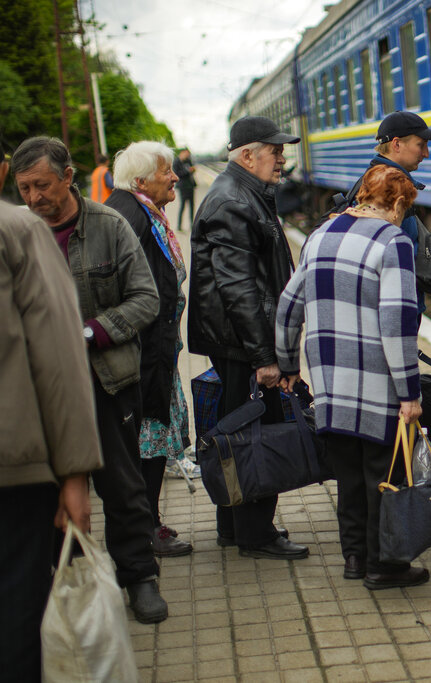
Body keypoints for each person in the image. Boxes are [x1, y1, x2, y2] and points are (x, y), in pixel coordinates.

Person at [11, 136, 168, 623]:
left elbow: (146, 299)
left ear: (68, 177)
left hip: (105, 381)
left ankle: (139, 577)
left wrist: (88, 332)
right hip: (37, 391)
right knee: (50, 492)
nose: (34, 198)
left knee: (122, 486)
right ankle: (71, 583)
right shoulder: (18, 235)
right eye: (23, 189)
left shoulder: (110, 225)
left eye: (42, 185)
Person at [276, 165, 428, 589]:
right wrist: (409, 392)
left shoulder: (319, 235)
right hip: (377, 386)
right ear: (396, 203)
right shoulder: (392, 240)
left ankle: (354, 559)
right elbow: (397, 322)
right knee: (383, 474)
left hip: (330, 385)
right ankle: (386, 566)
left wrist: (288, 364)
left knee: (347, 475)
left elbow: (288, 306)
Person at [0, 134, 104, 683]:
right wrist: (75, 474)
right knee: (19, 607)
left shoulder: (103, 222)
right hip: (15, 469)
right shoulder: (18, 232)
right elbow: (59, 360)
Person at [188, 116, 309, 560]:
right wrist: (266, 356)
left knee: (237, 432)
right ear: (246, 155)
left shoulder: (245, 194)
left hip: (238, 342)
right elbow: (239, 289)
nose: (282, 158)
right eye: (274, 150)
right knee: (253, 436)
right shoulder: (233, 202)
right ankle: (255, 533)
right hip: (243, 345)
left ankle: (234, 527)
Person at [106, 141, 194, 558]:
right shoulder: (131, 217)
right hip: (140, 355)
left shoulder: (138, 211)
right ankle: (145, 529)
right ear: (141, 181)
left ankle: (149, 522)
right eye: (167, 172)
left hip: (154, 350)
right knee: (146, 443)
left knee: (150, 440)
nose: (175, 177)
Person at [320, 110, 431, 314]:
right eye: (421, 145)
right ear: (396, 144)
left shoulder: (376, 182)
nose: (426, 154)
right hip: (391, 309)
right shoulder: (385, 191)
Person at [172, 147, 197, 231]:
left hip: (190, 186)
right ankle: (179, 226)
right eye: (186, 153)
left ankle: (192, 224)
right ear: (182, 152)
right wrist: (188, 171)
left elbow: (191, 170)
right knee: (182, 206)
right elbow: (177, 174)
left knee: (192, 206)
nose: (187, 155)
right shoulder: (176, 162)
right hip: (182, 187)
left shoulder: (188, 160)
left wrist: (192, 170)